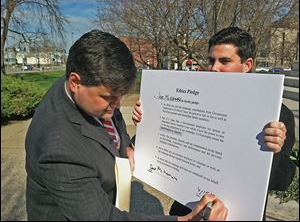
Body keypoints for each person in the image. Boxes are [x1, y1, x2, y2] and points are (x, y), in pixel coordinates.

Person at [25, 30, 227, 221]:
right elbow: (102, 218)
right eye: (109, 98)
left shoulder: (85, 83)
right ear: (75, 82)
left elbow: (113, 115)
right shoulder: (59, 149)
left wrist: (125, 145)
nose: (116, 106)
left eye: (121, 97)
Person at [132, 27, 295, 219]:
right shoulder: (198, 100)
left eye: (224, 61)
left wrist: (275, 150)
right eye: (211, 60)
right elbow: (174, 142)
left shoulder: (277, 113)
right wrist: (146, 123)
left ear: (247, 64)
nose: (214, 68)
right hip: (188, 209)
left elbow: (282, 182)